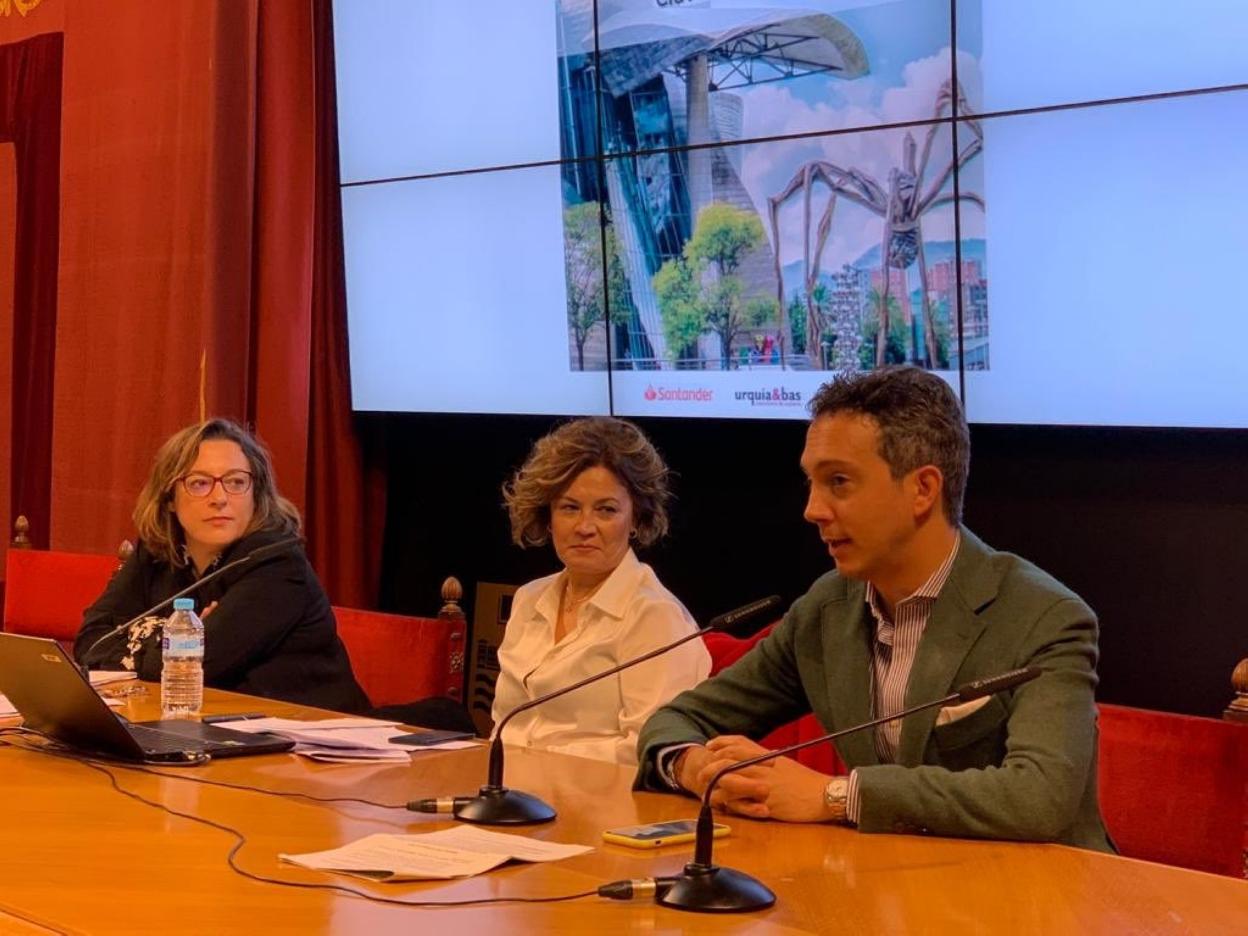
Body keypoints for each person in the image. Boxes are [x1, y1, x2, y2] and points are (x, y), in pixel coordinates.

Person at [636, 367, 1112, 852]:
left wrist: (835, 796)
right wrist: (695, 768)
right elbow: (679, 719)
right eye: (811, 483)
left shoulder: (1044, 616)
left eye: (838, 482)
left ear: (923, 489)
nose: (812, 509)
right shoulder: (828, 609)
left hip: (1042, 897)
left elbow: (1039, 797)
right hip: (895, 889)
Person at [74, 419, 369, 714]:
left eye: (236, 482)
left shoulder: (277, 564)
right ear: (169, 498)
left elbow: (181, 667)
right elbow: (92, 642)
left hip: (315, 739)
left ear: (256, 493)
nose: (220, 498)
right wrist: (174, 635)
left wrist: (145, 636)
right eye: (199, 483)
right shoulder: (155, 554)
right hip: (214, 731)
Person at [492, 416, 710, 765]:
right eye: (569, 508)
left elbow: (651, 749)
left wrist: (543, 763)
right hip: (511, 791)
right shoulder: (529, 598)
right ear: (547, 516)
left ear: (637, 519)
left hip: (599, 802)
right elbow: (505, 724)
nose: (585, 527)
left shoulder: (655, 616)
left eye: (606, 510)